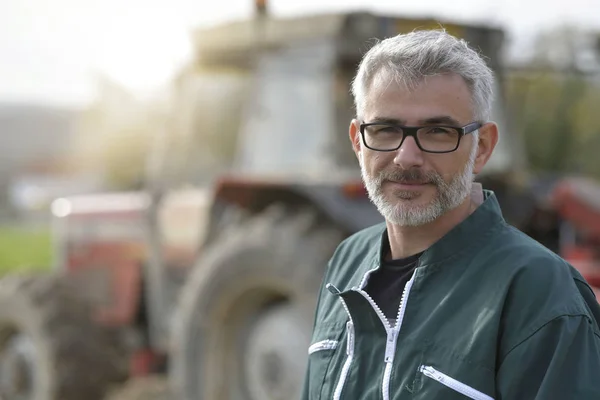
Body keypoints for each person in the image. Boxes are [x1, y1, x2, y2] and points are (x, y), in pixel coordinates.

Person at [301, 29, 600, 400]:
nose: (406, 157)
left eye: (438, 132)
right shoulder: (347, 262)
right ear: (358, 142)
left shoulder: (540, 293)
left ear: (482, 147)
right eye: (385, 129)